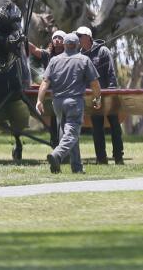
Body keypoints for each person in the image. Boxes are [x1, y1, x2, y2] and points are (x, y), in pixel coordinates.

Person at [36, 32, 101, 174]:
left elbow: (45, 82)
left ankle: (77, 168)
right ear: (77, 45)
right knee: (71, 134)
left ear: (65, 45)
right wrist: (97, 99)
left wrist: (39, 100)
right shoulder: (84, 60)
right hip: (74, 103)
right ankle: (56, 155)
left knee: (69, 133)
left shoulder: (54, 60)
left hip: (57, 104)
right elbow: (95, 83)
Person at [78, 26, 123, 165]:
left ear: (88, 37)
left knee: (115, 126)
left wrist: (111, 93)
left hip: (108, 94)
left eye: (81, 35)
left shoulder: (103, 51)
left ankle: (118, 157)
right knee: (97, 128)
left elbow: (111, 73)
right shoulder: (79, 55)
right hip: (93, 97)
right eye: (77, 36)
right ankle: (101, 158)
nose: (78, 38)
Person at [28, 30, 66, 145]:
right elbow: (34, 49)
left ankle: (63, 144)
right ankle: (55, 142)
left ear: (65, 41)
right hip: (50, 93)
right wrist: (23, 40)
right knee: (54, 118)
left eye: (60, 38)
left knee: (63, 120)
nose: (57, 40)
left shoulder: (70, 55)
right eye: (55, 38)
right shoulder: (47, 54)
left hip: (65, 92)